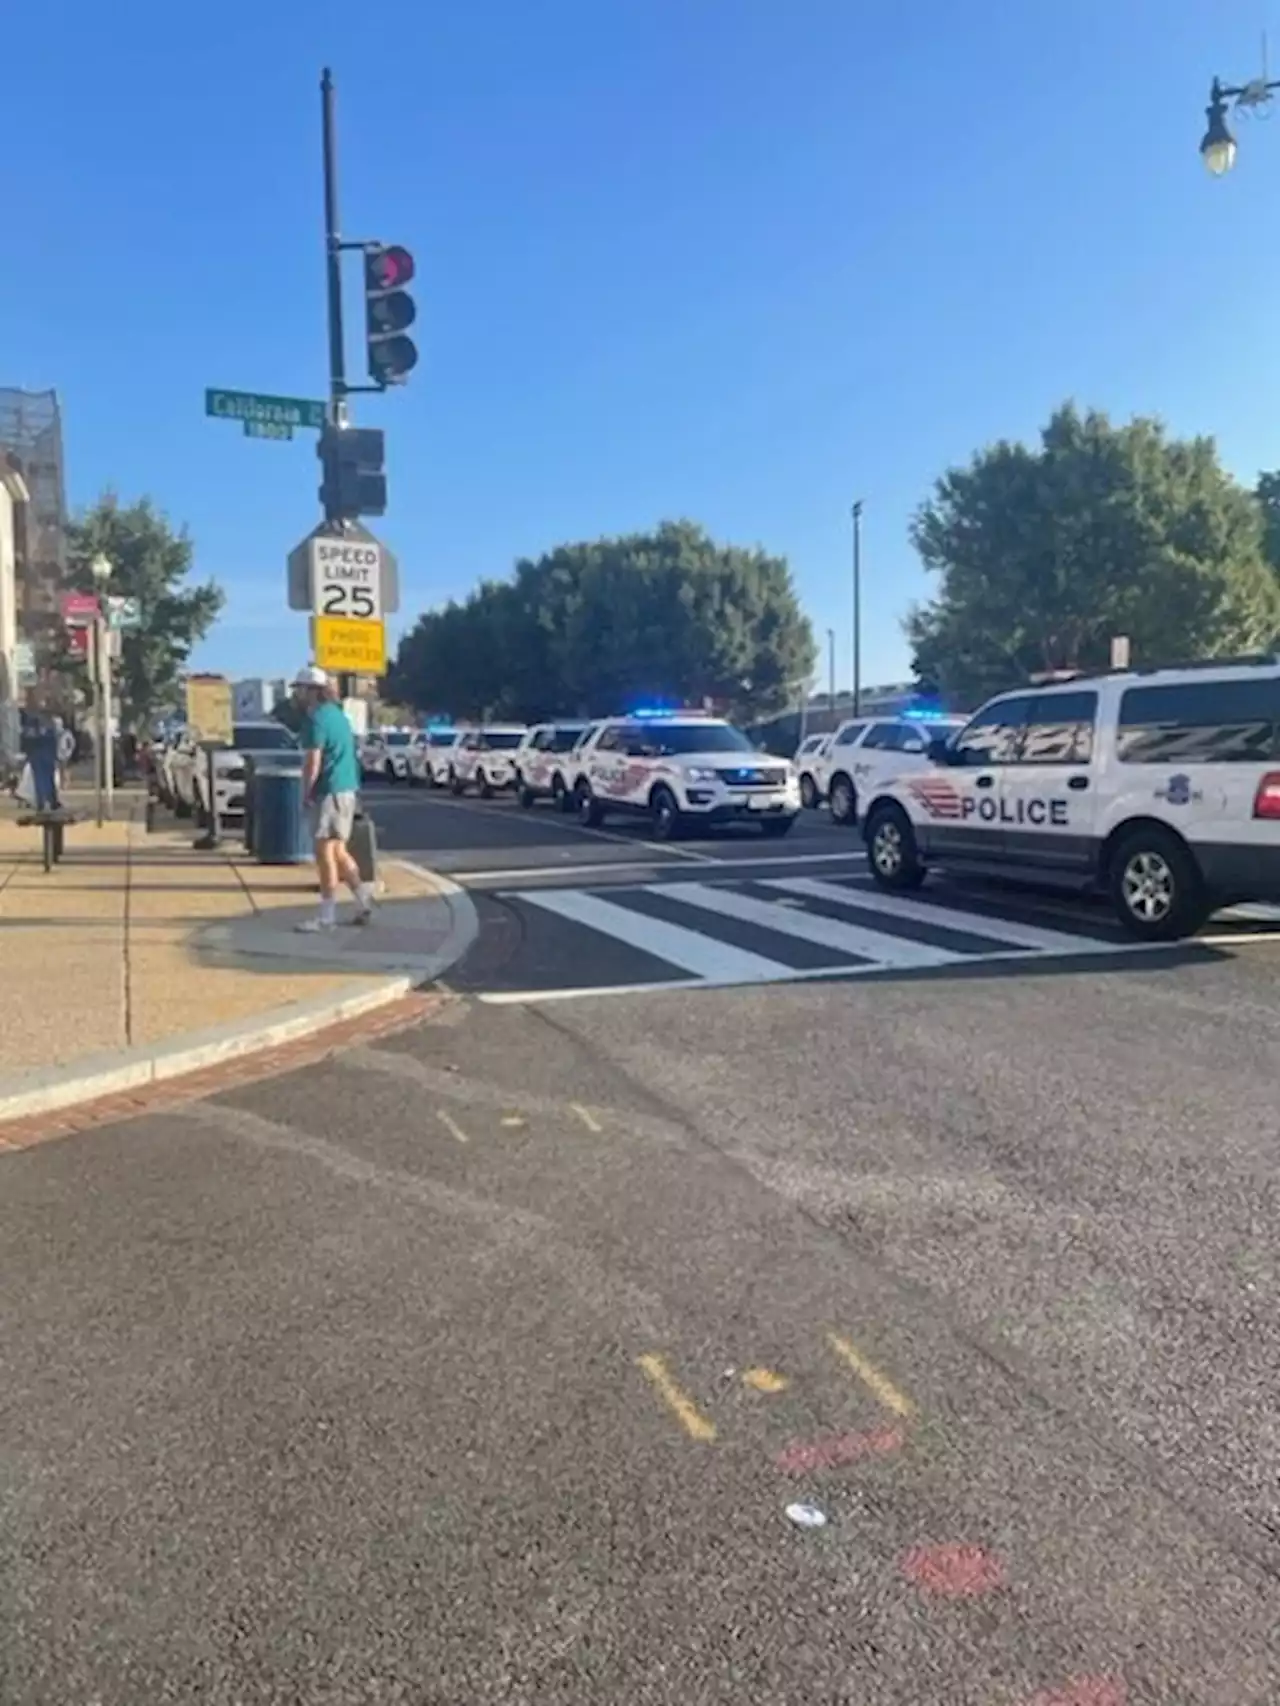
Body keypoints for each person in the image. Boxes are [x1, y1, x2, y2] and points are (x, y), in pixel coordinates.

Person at [292, 664, 375, 932]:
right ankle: (363, 901)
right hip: (347, 789)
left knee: (324, 851)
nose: (297, 694)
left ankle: (327, 916)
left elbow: (313, 760)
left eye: (300, 689)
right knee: (338, 849)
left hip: (328, 791)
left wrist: (306, 791)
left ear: (312, 691)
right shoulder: (338, 717)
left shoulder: (315, 720)